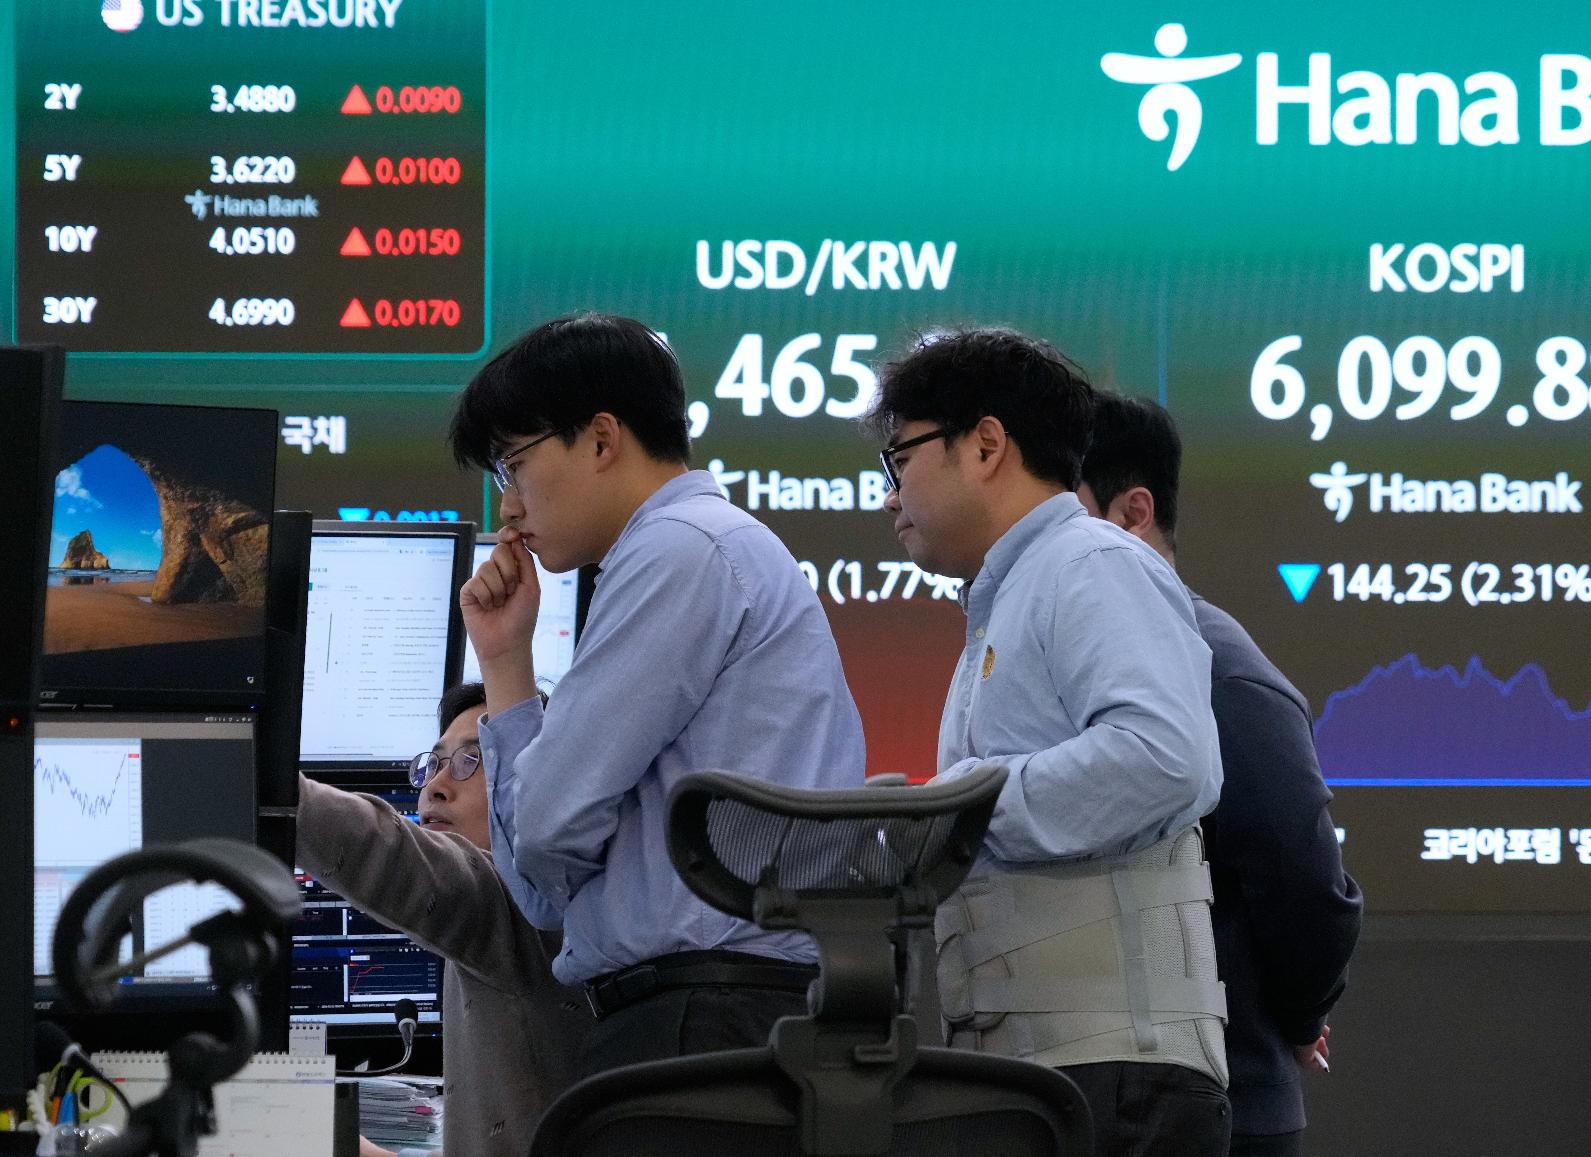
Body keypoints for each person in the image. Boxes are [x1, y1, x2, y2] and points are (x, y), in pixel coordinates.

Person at [451, 312, 867, 1078]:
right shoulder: (703, 547)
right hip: (720, 1011)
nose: (506, 506)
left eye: (513, 464)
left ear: (602, 439)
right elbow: (541, 891)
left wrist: (552, 841)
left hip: (702, 1018)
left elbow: (542, 829)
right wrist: (505, 661)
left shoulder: (678, 550)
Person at [870, 327, 1231, 1155]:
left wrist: (956, 808)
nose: (888, 496)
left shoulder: (1088, 564)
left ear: (986, 444)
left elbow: (1166, 756)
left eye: (900, 459)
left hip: (1114, 1079)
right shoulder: (1011, 594)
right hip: (1043, 1077)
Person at [1078, 392, 1363, 1157]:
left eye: (1055, 517)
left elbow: (1305, 879)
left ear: (1132, 512)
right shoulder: (1070, 656)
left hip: (1222, 1106)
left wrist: (1301, 1016)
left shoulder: (1216, 669)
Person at [295, 681, 593, 1157]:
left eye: (471, 761)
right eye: (433, 764)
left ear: (537, 785)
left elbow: (381, 849)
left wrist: (256, 776)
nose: (435, 786)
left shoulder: (530, 905)